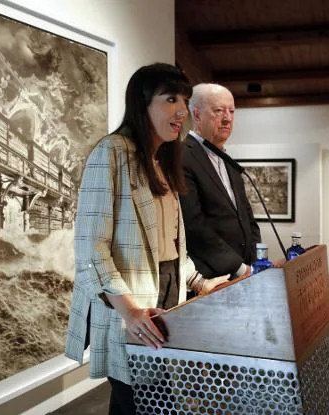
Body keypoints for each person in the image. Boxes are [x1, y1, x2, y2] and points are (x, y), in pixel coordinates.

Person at [65, 64, 228, 415]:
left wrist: (200, 283)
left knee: (147, 398)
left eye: (184, 100)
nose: (182, 111)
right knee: (141, 398)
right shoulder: (111, 152)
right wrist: (131, 311)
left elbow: (171, 245)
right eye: (170, 99)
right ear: (142, 102)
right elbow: (91, 249)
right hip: (128, 301)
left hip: (166, 294)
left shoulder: (162, 161)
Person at [179, 83, 261, 280]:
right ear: (197, 115)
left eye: (231, 111)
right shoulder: (181, 157)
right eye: (218, 111)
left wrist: (256, 259)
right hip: (212, 277)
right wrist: (240, 268)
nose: (227, 118)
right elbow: (194, 226)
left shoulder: (228, 160)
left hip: (246, 271)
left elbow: (247, 217)